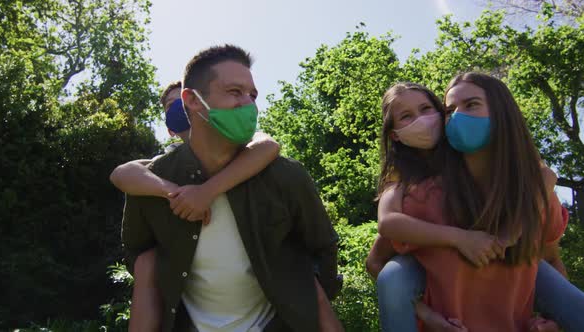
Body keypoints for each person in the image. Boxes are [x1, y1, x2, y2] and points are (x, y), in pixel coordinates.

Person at [120, 44, 342, 332]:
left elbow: (322, 248)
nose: (248, 104)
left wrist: (304, 302)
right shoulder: (152, 184)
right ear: (192, 100)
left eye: (252, 95)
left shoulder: (286, 176)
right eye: (234, 92)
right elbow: (139, 256)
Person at [368, 79, 584, 331]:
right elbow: (383, 245)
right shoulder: (415, 193)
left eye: (427, 109)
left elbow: (550, 261)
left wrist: (554, 321)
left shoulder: (532, 188)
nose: (459, 116)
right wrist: (462, 239)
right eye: (451, 111)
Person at [111, 80, 284, 331]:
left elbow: (268, 145)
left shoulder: (240, 147)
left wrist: (206, 192)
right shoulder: (163, 165)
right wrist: (174, 192)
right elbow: (122, 173)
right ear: (170, 128)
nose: (181, 109)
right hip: (195, 314)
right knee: (146, 263)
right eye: (172, 106)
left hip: (261, 310)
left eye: (185, 102)